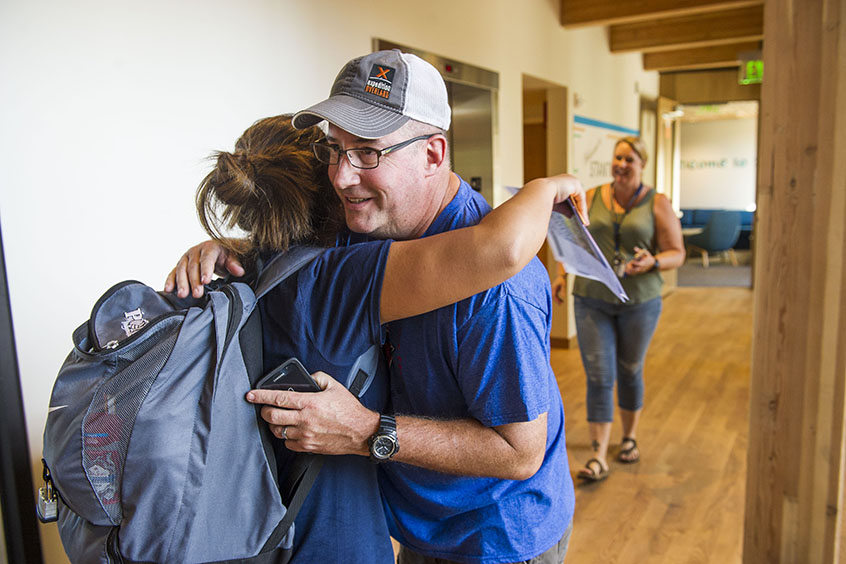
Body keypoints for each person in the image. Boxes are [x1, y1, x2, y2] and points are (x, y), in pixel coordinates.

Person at [172, 50, 578, 564]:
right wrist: (234, 248)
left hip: (492, 537)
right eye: (334, 148)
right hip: (415, 521)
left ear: (433, 154)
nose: (342, 176)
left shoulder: (497, 292)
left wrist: (366, 431)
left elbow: (520, 453)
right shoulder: (359, 224)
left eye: (367, 152)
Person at [551, 136, 684, 482]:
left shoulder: (657, 202)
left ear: (642, 164)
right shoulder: (593, 196)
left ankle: (629, 437)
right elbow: (571, 238)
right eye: (617, 158)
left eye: (629, 160)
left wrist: (653, 261)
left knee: (629, 369)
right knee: (598, 374)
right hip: (592, 298)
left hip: (639, 302)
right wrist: (563, 275)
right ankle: (598, 454)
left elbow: (677, 252)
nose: (621, 165)